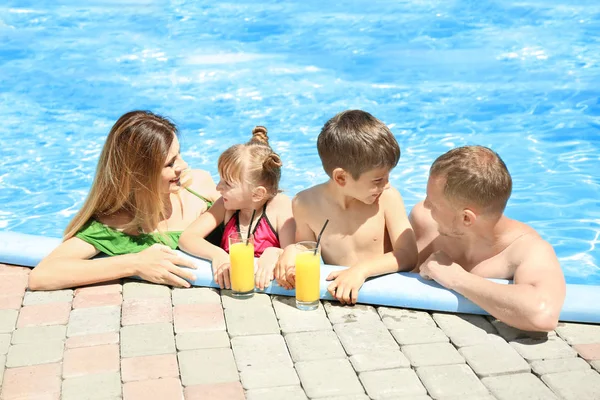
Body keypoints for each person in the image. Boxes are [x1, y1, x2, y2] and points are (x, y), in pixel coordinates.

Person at [29, 110, 221, 290]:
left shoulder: (198, 185)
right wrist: (134, 263)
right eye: (170, 163)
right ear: (138, 175)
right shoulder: (115, 226)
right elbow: (42, 276)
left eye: (179, 154)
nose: (183, 165)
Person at [410, 146, 566, 332]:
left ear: (466, 218)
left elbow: (542, 314)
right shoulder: (424, 221)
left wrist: (457, 278)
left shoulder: (526, 249)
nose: (425, 205)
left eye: (433, 203)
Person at [275, 110, 418, 304]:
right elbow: (309, 251)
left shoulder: (387, 198)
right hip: (339, 296)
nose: (387, 184)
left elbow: (408, 256)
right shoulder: (305, 203)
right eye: (378, 179)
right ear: (341, 177)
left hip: (384, 294)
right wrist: (293, 251)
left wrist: (361, 270)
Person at [179, 126, 295, 290]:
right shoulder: (226, 206)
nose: (218, 187)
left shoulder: (280, 206)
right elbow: (187, 238)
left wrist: (275, 253)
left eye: (227, 183)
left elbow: (293, 252)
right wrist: (218, 255)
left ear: (257, 194)